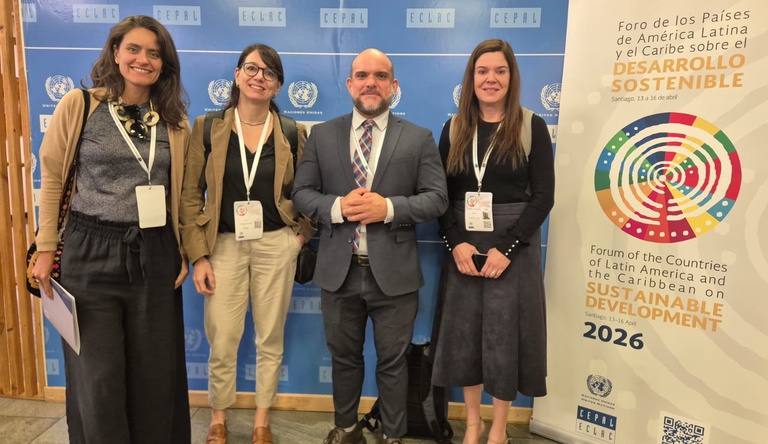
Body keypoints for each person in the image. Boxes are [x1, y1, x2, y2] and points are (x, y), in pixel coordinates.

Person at [31, 15, 191, 443]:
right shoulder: (80, 105)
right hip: (90, 250)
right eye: (134, 49)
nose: (143, 59)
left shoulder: (174, 120)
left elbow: (185, 195)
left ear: (165, 63)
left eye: (154, 53)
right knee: (98, 376)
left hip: (154, 254)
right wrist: (46, 248)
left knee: (153, 376)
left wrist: (185, 250)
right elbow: (52, 180)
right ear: (115, 52)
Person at [292, 48, 448, 444]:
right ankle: (345, 429)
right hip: (337, 271)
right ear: (349, 84)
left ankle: (393, 436)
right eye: (362, 75)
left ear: (393, 86)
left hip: (394, 276)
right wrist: (340, 207)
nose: (370, 83)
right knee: (344, 360)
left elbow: (437, 199)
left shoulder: (418, 138)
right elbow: (302, 194)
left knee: (393, 364)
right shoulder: (322, 135)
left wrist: (389, 207)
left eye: (380, 76)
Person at [179, 43, 315, 444]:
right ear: (237, 75)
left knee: (270, 334)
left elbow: (310, 191)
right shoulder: (207, 127)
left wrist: (300, 236)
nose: (259, 77)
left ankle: (261, 418)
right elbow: (189, 195)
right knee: (222, 335)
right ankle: (218, 415)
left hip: (277, 244)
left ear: (277, 86)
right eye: (252, 68)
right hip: (222, 245)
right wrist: (198, 255)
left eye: (269, 73)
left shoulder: (293, 131)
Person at [431, 39, 555, 444]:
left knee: (504, 340)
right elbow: (439, 196)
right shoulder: (453, 128)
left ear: (511, 76)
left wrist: (509, 249)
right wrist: (456, 244)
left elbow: (543, 197)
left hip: (512, 249)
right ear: (471, 78)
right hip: (465, 248)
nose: (490, 79)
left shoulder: (530, 124)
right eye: (482, 71)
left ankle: (499, 428)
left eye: (499, 71)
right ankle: (472, 423)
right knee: (464, 340)